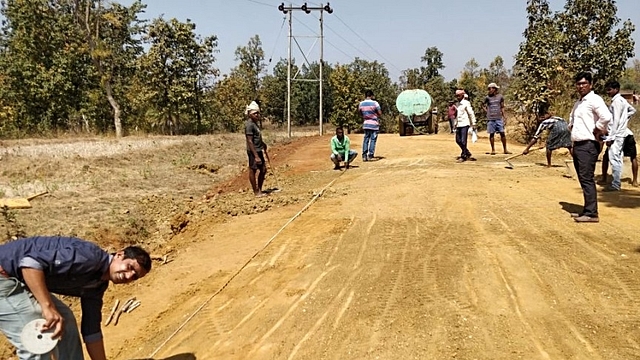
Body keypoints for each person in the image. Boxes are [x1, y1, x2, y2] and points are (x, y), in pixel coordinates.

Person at [0, 236, 152, 360]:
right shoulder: (89, 257)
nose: (129, 276)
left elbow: (91, 331)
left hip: (19, 279)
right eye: (130, 267)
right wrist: (47, 307)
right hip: (4, 274)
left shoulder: (97, 285)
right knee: (35, 341)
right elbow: (30, 264)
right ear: (119, 254)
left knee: (66, 321)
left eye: (135, 277)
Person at [568, 71, 612, 223]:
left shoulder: (594, 99)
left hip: (588, 144)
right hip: (578, 145)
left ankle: (592, 214)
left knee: (587, 179)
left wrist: (597, 129)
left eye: (584, 83)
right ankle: (587, 209)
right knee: (582, 178)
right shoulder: (579, 103)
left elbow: (606, 117)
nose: (581, 86)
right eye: (579, 84)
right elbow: (572, 121)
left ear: (590, 84)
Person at [600, 80, 637, 191]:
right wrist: (624, 118)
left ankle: (615, 185)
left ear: (616, 89)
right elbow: (632, 110)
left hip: (617, 134)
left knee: (614, 158)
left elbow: (615, 121)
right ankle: (616, 182)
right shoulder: (622, 100)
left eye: (610, 89)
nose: (608, 92)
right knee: (617, 158)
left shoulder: (617, 102)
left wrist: (611, 137)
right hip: (621, 133)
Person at [245, 100, 268, 197]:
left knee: (263, 170)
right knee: (253, 170)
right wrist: (256, 156)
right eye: (255, 113)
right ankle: (256, 192)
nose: (257, 115)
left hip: (259, 150)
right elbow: (250, 141)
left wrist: (263, 144)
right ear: (250, 114)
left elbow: (256, 137)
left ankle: (259, 190)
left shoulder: (255, 124)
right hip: (253, 152)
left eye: (258, 113)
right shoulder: (249, 125)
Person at [483, 83, 511, 155]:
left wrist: (504, 116)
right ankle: (493, 150)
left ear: (495, 89)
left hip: (499, 118)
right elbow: (483, 105)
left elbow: (502, 107)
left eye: (491, 88)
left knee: (502, 133)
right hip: (491, 118)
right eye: (488, 89)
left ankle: (505, 149)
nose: (489, 90)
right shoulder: (487, 98)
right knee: (491, 134)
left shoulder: (500, 97)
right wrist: (487, 112)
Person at [454, 89, 477, 163]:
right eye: (456, 96)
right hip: (459, 124)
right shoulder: (458, 104)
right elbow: (457, 115)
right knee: (458, 140)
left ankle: (463, 156)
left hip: (465, 124)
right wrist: (455, 124)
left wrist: (473, 123)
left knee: (464, 141)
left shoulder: (466, 103)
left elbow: (471, 113)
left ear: (462, 96)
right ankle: (467, 152)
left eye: (459, 96)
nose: (457, 97)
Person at [358, 90, 382, 162]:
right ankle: (370, 155)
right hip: (374, 124)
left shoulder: (361, 104)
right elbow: (380, 112)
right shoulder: (375, 103)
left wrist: (365, 116)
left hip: (366, 123)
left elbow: (359, 112)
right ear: (371, 96)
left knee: (366, 140)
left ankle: (364, 155)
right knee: (373, 140)